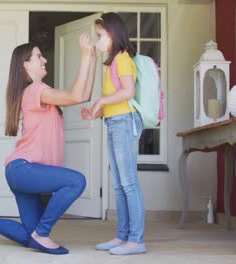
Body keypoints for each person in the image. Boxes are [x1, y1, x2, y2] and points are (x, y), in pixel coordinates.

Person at [0, 33, 96, 255]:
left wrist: (90, 59)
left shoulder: (38, 91)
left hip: (23, 172)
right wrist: (83, 56)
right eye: (39, 56)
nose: (44, 60)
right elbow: (75, 95)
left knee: (29, 236)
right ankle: (42, 233)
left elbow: (83, 96)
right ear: (26, 64)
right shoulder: (35, 90)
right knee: (76, 181)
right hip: (24, 170)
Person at [81, 12, 146, 255]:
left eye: (100, 35)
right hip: (113, 122)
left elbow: (127, 92)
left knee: (128, 183)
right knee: (119, 185)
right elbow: (115, 100)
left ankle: (136, 240)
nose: (98, 41)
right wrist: (96, 112)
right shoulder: (112, 62)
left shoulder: (124, 59)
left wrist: (101, 102)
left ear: (113, 34)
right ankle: (122, 236)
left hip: (124, 123)